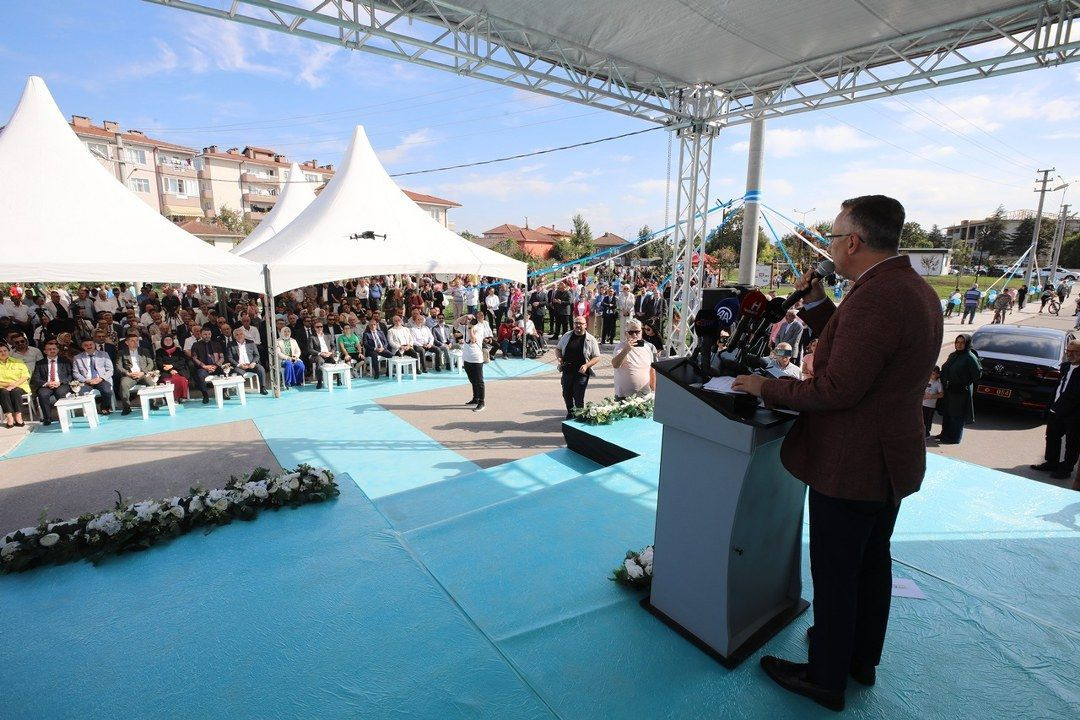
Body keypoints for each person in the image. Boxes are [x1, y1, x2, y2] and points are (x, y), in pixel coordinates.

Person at [732, 195, 942, 712]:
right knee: (870, 563)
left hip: (853, 461)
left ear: (853, 241)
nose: (828, 245)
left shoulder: (877, 297)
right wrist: (822, 304)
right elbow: (864, 350)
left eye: (831, 236)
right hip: (886, 457)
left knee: (837, 571)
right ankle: (857, 658)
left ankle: (825, 677)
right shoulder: (907, 287)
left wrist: (764, 386)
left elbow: (837, 390)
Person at [1031, 340, 1080, 480]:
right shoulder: (1065, 367)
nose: (1070, 355)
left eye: (1074, 352)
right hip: (1056, 409)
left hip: (1074, 414)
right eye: (1068, 351)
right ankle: (1051, 462)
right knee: (1052, 436)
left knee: (1072, 443)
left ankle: (1066, 469)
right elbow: (1059, 387)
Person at [555, 315, 602, 419]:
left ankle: (580, 416)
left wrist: (586, 365)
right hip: (567, 370)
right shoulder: (567, 335)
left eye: (580, 323)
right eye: (576, 323)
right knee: (566, 393)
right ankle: (571, 412)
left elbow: (597, 357)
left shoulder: (591, 339)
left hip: (582, 373)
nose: (578, 325)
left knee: (578, 396)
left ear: (585, 325)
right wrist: (559, 358)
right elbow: (558, 349)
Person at [938, 334, 982, 444]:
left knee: (956, 415)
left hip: (960, 391)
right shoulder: (953, 355)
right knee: (947, 413)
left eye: (962, 342)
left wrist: (964, 383)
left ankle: (954, 437)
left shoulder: (970, 357)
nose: (959, 345)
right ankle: (945, 434)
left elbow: (977, 375)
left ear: (967, 344)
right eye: (957, 342)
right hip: (949, 390)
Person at [610, 318, 658, 399]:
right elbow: (615, 364)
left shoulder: (648, 347)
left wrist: (653, 390)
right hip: (624, 397)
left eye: (637, 332)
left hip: (645, 395)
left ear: (641, 332)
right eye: (631, 332)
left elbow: (652, 370)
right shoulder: (620, 347)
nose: (634, 335)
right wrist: (626, 350)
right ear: (626, 334)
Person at [32, 340, 73, 425]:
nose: (52, 351)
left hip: (61, 384)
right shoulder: (39, 363)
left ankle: (64, 417)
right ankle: (48, 418)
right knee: (43, 395)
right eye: (49, 349)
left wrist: (60, 382)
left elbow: (70, 375)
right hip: (46, 385)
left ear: (57, 350)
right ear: (45, 351)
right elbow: (35, 379)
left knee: (60, 393)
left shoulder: (65, 361)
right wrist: (47, 383)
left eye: (54, 349)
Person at [117, 334, 159, 415]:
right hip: (129, 375)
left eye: (136, 340)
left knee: (150, 382)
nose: (135, 342)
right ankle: (127, 407)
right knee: (123, 384)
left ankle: (152, 404)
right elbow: (118, 366)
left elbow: (150, 364)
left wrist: (143, 372)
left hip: (143, 374)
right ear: (126, 342)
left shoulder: (144, 351)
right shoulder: (121, 352)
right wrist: (127, 373)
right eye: (132, 341)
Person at [72, 337, 114, 415]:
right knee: (81, 393)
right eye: (86, 345)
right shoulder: (77, 358)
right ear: (82, 347)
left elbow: (110, 370)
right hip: (86, 381)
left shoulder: (104, 354)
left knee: (107, 391)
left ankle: (105, 407)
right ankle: (90, 411)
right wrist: (86, 380)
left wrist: (101, 378)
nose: (89, 346)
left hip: (101, 379)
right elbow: (75, 373)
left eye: (91, 344)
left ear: (94, 345)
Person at [191, 325, 228, 402]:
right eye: (205, 334)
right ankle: (205, 395)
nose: (207, 336)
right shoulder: (196, 345)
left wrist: (215, 366)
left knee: (224, 373)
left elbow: (222, 357)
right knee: (200, 375)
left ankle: (224, 392)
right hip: (203, 367)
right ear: (201, 335)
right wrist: (204, 366)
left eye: (209, 334)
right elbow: (194, 358)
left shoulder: (216, 344)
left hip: (216, 366)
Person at [227, 328, 269, 395]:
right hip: (239, 366)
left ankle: (262, 388)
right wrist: (239, 365)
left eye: (241, 334)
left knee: (261, 369)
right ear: (234, 336)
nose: (239, 336)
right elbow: (230, 358)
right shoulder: (230, 344)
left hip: (251, 364)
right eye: (237, 335)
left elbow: (256, 355)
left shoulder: (251, 342)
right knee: (238, 373)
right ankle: (240, 391)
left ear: (244, 335)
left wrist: (253, 363)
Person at [0, 342, 30, 428]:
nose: (3, 353)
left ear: (9, 351)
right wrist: (7, 384)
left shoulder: (18, 362)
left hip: (19, 386)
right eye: (0, 351)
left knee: (15, 391)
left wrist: (13, 385)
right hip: (2, 387)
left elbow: (25, 376)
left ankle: (18, 416)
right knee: (4, 392)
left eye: (5, 350)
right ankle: (9, 417)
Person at [155, 335, 191, 403]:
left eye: (170, 340)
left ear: (172, 341)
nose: (168, 341)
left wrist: (172, 366)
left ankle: (180, 397)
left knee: (182, 380)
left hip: (179, 370)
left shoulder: (178, 350)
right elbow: (159, 363)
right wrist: (170, 370)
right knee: (167, 381)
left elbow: (182, 361)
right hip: (166, 371)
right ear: (163, 341)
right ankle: (170, 399)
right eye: (166, 340)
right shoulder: (159, 351)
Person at [461, 315, 486, 412]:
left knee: (479, 381)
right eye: (468, 319)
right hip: (467, 358)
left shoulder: (479, 328)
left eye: (471, 319)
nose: (469, 321)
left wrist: (470, 328)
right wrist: (464, 317)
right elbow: (455, 324)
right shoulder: (465, 328)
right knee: (472, 380)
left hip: (476, 359)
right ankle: (475, 398)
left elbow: (473, 339)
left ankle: (481, 402)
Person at [307, 321, 338, 388]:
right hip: (318, 355)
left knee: (335, 359)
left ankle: (338, 379)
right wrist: (320, 353)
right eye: (317, 327)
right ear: (314, 328)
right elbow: (310, 349)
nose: (319, 328)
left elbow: (333, 346)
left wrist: (331, 352)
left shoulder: (328, 335)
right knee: (319, 361)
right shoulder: (312, 337)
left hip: (328, 353)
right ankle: (319, 381)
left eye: (321, 326)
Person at [922, 366, 943, 437]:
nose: (931, 375)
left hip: (930, 406)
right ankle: (921, 432)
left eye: (933, 374)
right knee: (921, 419)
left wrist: (931, 396)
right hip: (923, 404)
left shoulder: (938, 384)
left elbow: (941, 394)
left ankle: (927, 433)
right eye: (930, 373)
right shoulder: (926, 381)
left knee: (928, 420)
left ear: (938, 375)